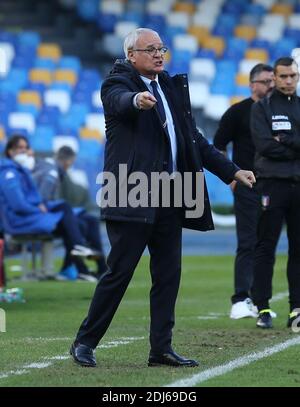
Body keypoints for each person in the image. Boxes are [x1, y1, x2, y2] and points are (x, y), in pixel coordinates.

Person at [70, 28, 255, 368]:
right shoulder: (118, 83)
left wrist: (231, 171)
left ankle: (161, 349)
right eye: (150, 49)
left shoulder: (169, 86)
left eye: (162, 48)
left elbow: (195, 141)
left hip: (171, 194)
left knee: (168, 275)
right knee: (119, 272)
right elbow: (118, 102)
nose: (159, 54)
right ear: (132, 56)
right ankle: (85, 342)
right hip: (133, 191)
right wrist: (136, 101)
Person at [213, 64, 275, 319]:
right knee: (248, 242)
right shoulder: (238, 112)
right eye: (265, 81)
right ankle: (240, 298)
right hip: (248, 185)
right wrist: (231, 176)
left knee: (269, 244)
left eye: (273, 81)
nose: (271, 85)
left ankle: (264, 302)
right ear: (252, 85)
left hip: (277, 185)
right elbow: (218, 146)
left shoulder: (281, 111)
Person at [0, 135, 101, 279]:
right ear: (10, 151)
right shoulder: (9, 173)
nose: (24, 151)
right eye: (19, 148)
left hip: (28, 216)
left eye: (26, 148)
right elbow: (18, 205)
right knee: (71, 216)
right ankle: (80, 258)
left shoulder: (20, 171)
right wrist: (38, 208)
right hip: (18, 221)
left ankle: (80, 261)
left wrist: (40, 206)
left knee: (72, 214)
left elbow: (32, 198)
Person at [251, 57, 300, 329]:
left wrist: (288, 140)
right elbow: (265, 145)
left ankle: (297, 308)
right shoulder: (262, 108)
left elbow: (277, 144)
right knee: (265, 246)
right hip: (272, 184)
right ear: (275, 78)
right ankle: (263, 308)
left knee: (298, 249)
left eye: (292, 76)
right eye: (283, 76)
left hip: (299, 185)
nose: (288, 81)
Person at [32, 146, 107, 281]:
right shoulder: (52, 173)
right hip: (41, 218)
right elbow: (44, 201)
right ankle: (82, 267)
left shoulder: (49, 168)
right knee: (79, 224)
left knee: (90, 220)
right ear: (68, 161)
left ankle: (100, 266)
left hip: (48, 215)